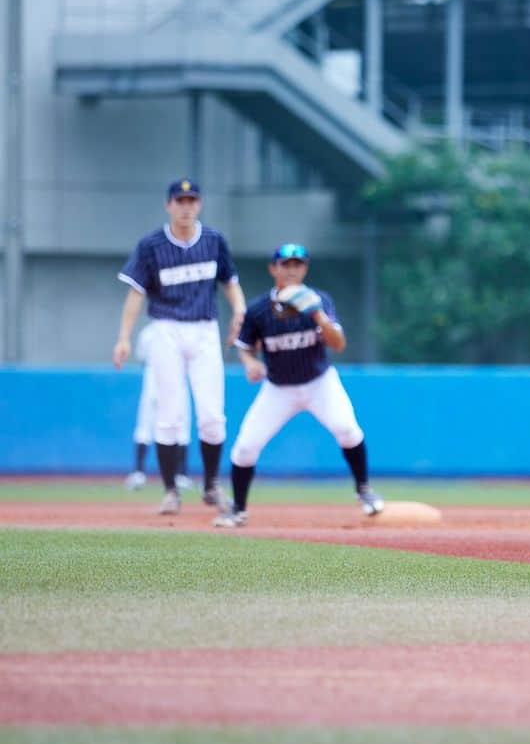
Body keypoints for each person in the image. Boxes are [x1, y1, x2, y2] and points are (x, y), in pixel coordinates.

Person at [213, 242, 383, 528]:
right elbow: (245, 347)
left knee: (347, 430)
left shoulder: (319, 299)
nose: (292, 270)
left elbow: (338, 344)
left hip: (319, 383)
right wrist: (250, 363)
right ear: (273, 268)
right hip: (279, 388)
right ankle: (238, 509)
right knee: (245, 448)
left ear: (305, 268)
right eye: (286, 264)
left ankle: (364, 489)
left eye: (298, 264)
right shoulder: (258, 310)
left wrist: (317, 314)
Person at [112, 178, 246, 515]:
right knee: (169, 415)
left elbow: (231, 283)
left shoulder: (214, 240)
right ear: (168, 204)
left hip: (204, 329)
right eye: (180, 200)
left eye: (192, 200)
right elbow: (135, 293)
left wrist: (241, 312)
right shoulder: (152, 245)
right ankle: (171, 490)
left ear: (198, 204)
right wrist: (124, 337)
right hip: (167, 329)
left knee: (213, 415)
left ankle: (212, 485)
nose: (186, 207)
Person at [124, 324, 193, 491]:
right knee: (149, 426)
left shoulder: (149, 332)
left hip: (170, 381)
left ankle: (177, 474)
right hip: (159, 381)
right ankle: (142, 473)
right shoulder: (150, 332)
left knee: (179, 428)